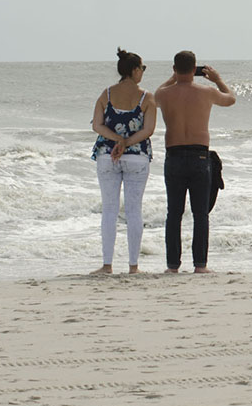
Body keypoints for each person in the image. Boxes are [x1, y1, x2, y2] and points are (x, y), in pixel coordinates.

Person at [155, 51, 235, 273]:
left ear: (174, 68)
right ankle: (200, 265)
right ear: (195, 69)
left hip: (174, 156)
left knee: (174, 214)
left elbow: (153, 97)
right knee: (200, 213)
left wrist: (173, 79)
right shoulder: (207, 92)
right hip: (200, 156)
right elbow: (231, 98)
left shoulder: (164, 94)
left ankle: (172, 266)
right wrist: (217, 79)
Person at [90, 48, 156, 274]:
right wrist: (126, 143)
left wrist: (117, 140)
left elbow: (97, 126)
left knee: (109, 209)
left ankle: (107, 265)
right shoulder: (147, 97)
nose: (143, 73)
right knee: (133, 210)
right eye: (143, 68)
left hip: (107, 155)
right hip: (137, 157)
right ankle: (133, 266)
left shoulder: (106, 94)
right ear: (135, 70)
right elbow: (148, 130)